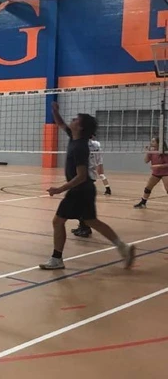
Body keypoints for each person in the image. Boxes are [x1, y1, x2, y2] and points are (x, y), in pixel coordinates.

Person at [40, 102, 135, 270]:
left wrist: (59, 189)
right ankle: (123, 248)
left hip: (80, 190)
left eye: (76, 119)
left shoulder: (79, 147)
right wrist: (55, 111)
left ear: (81, 127)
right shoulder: (74, 136)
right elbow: (61, 124)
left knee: (57, 222)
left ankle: (56, 259)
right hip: (86, 190)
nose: (73, 119)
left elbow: (81, 176)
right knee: (92, 221)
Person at [134, 137, 168, 209]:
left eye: (153, 141)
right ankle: (143, 203)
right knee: (148, 188)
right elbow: (146, 161)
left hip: (166, 173)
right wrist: (148, 152)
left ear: (158, 143)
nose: (151, 143)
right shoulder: (152, 152)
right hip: (156, 173)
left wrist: (157, 166)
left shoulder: (164, 151)